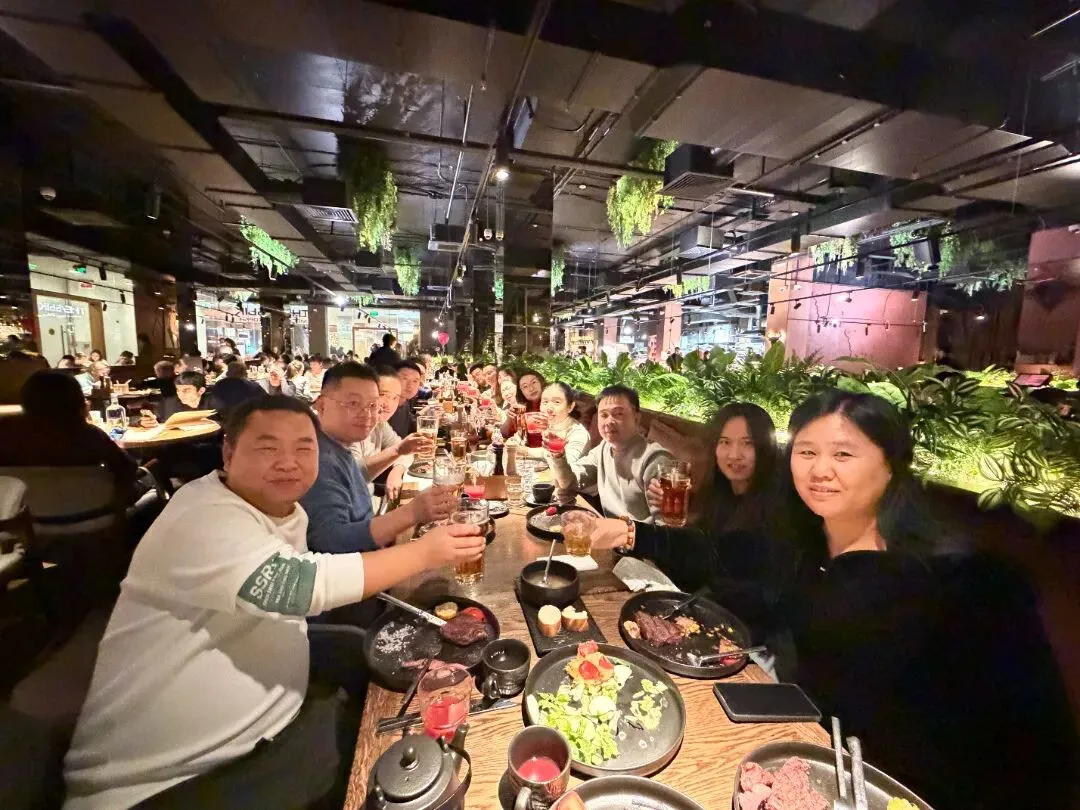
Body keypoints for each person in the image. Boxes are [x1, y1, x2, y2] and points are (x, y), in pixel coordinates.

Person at [61, 397, 484, 810]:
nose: (288, 462)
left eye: (303, 448)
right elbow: (296, 585)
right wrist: (424, 552)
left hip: (264, 717)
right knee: (382, 771)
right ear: (228, 452)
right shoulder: (201, 515)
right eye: (268, 448)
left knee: (368, 653)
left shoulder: (278, 507)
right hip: (175, 776)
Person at [780, 391, 1075, 809]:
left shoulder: (958, 582)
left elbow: (1034, 743)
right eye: (806, 452)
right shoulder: (807, 544)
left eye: (843, 454)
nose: (819, 470)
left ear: (891, 466)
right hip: (815, 763)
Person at [588, 403, 786, 639]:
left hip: (752, 633)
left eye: (748, 443)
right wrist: (677, 513)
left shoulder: (776, 506)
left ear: (765, 447)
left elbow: (715, 555)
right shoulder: (724, 493)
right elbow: (702, 545)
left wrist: (630, 533)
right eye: (725, 442)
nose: (734, 454)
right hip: (710, 610)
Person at [301, 363, 457, 555]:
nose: (366, 414)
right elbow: (331, 540)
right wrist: (411, 512)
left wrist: (399, 452)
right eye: (353, 403)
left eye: (373, 405)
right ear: (321, 405)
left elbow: (353, 478)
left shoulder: (338, 445)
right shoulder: (316, 457)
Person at [0, 371, 140, 499]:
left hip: (23, 515)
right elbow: (128, 468)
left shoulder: (7, 432)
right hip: (91, 513)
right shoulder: (87, 434)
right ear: (77, 400)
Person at [548, 385, 672, 522]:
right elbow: (569, 481)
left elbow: (665, 526)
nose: (609, 421)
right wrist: (558, 455)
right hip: (608, 529)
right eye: (604, 415)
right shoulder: (604, 448)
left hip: (638, 534)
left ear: (636, 418)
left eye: (618, 414)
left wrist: (624, 532)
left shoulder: (655, 460)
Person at [351, 366, 430, 497]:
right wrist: (397, 451)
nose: (388, 404)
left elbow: (405, 451)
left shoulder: (380, 424)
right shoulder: (349, 428)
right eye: (383, 395)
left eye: (394, 398)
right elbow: (351, 474)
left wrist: (396, 471)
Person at [533, 382, 592, 501]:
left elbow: (563, 477)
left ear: (570, 407)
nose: (549, 408)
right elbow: (545, 453)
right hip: (559, 491)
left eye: (556, 402)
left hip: (581, 497)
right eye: (545, 402)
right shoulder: (552, 426)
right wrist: (521, 450)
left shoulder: (578, 434)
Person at [142, 371, 208, 425]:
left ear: (201, 391)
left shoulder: (211, 403)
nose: (180, 395)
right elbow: (151, 419)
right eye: (178, 390)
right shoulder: (168, 404)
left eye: (186, 390)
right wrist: (143, 422)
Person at [387, 359, 423, 438]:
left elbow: (411, 425)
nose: (410, 385)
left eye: (415, 381)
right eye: (404, 378)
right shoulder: (385, 407)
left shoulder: (405, 403)